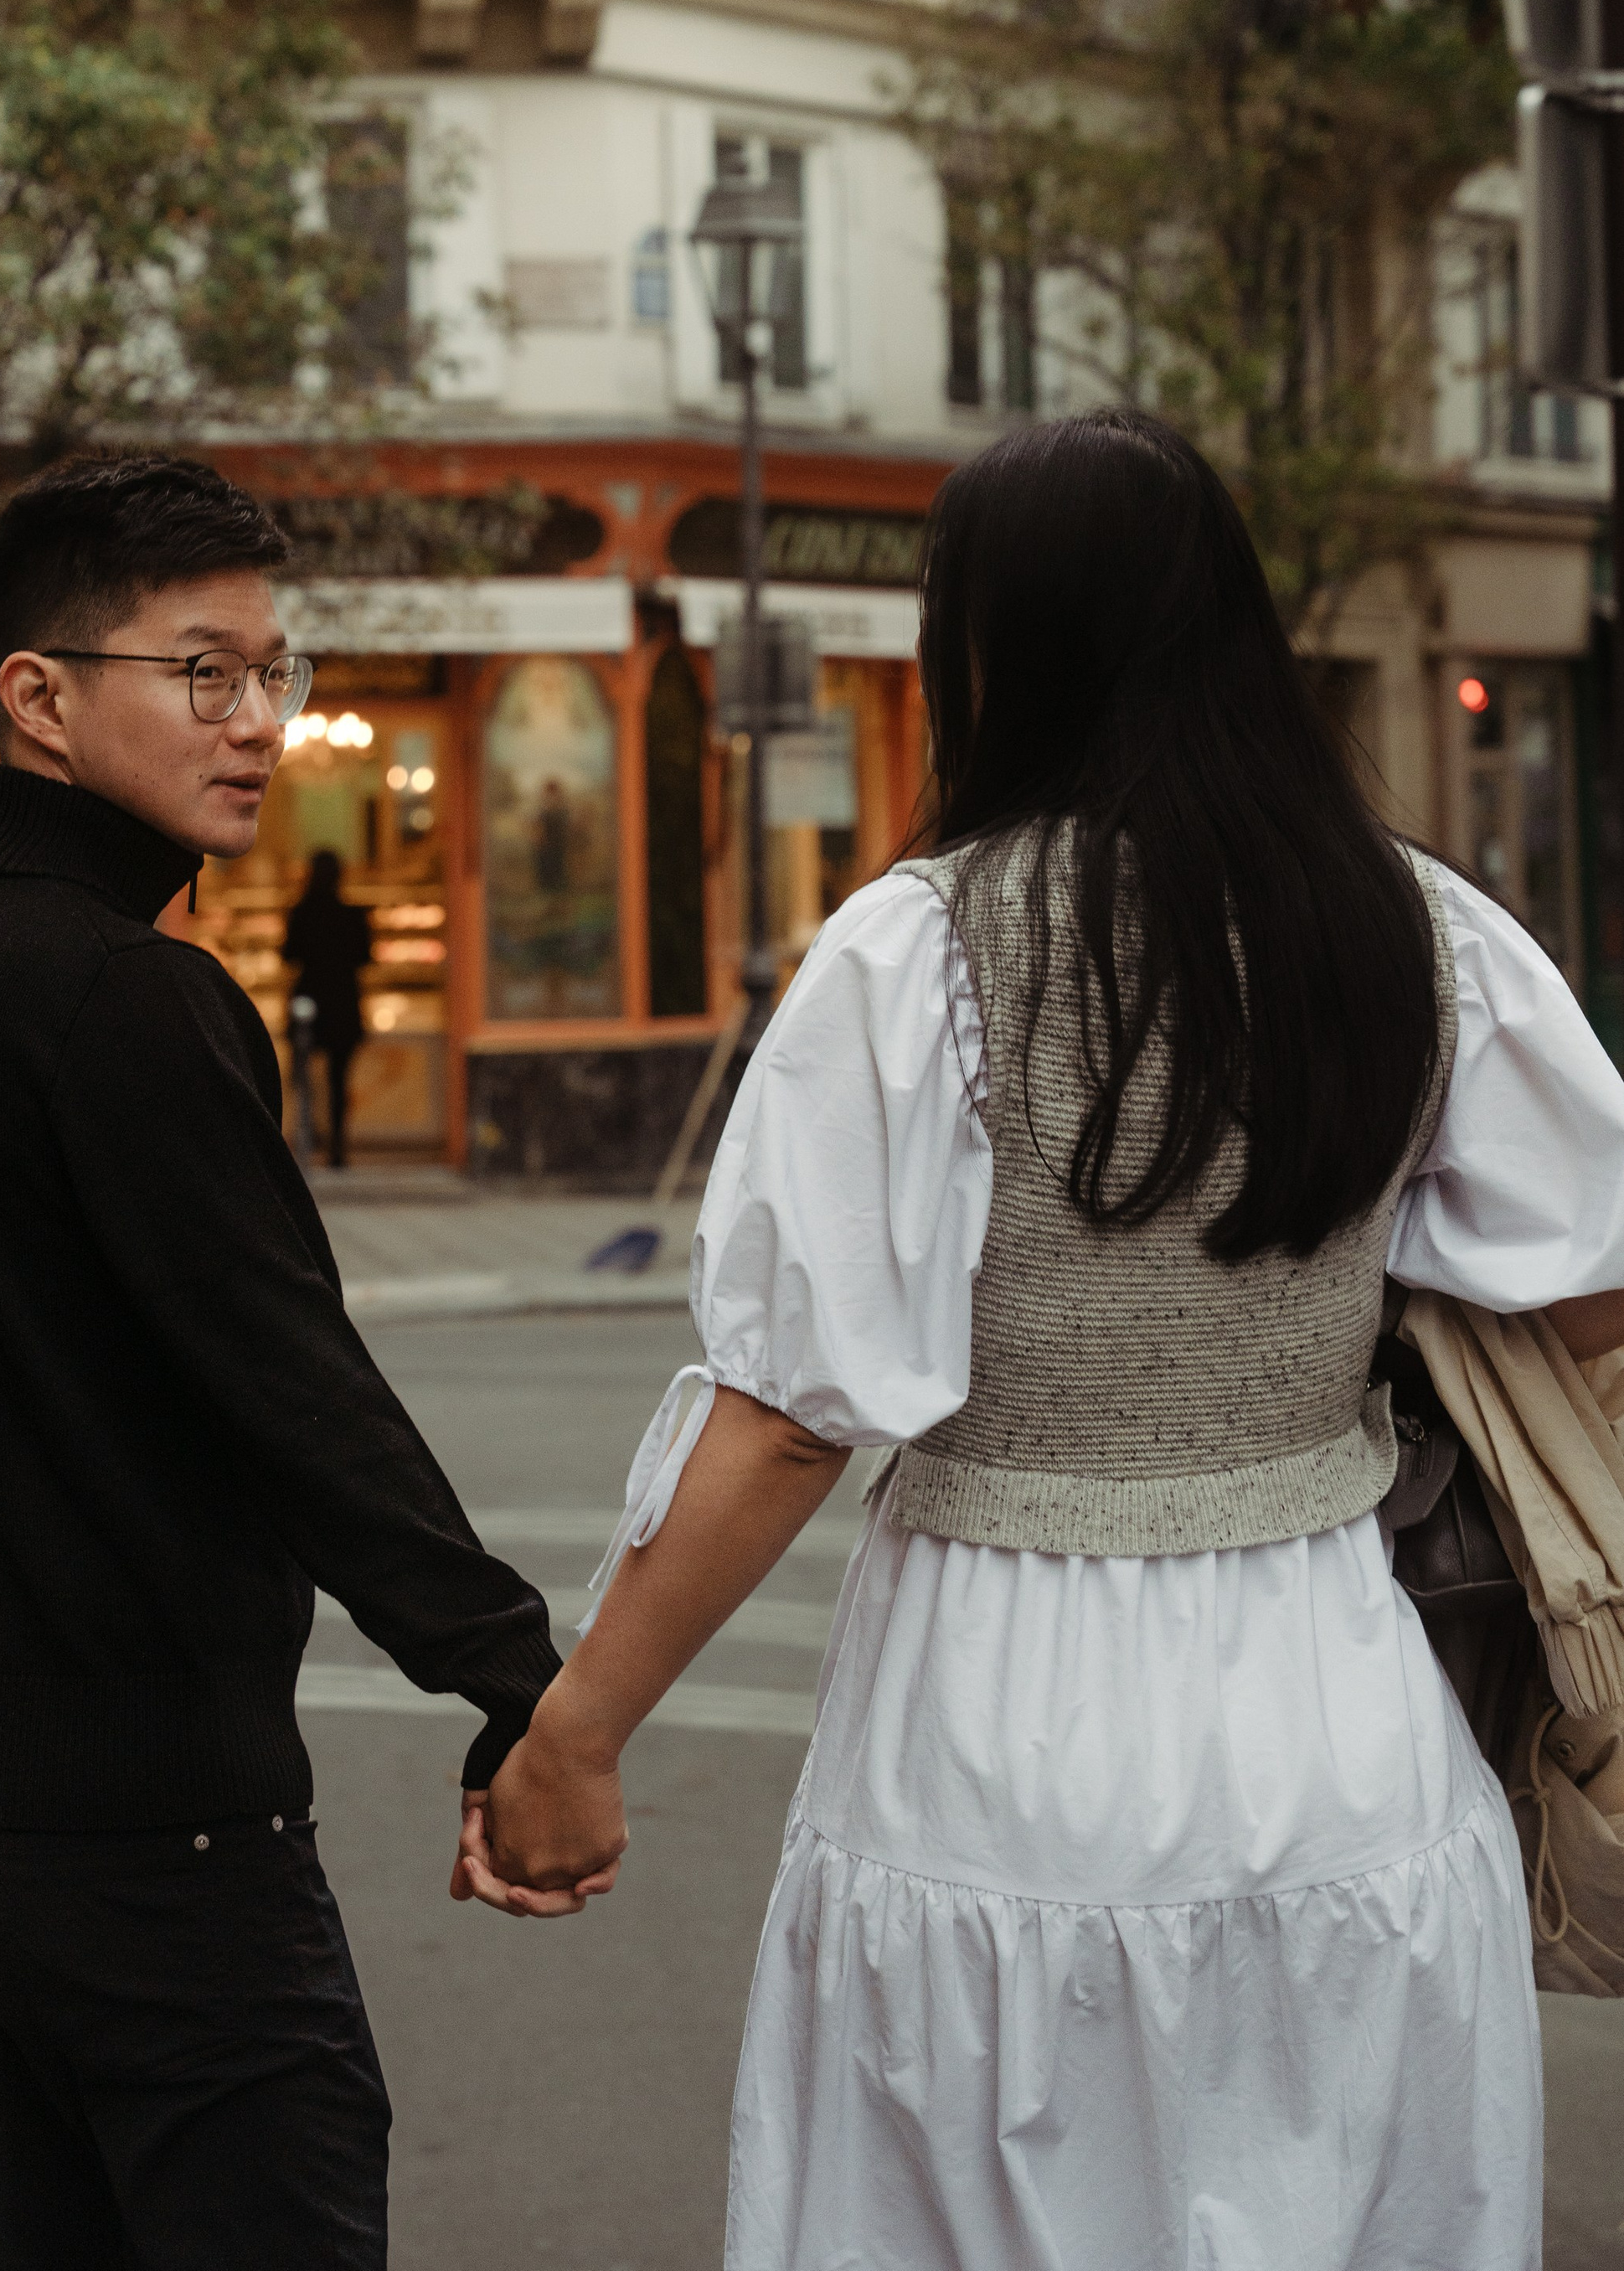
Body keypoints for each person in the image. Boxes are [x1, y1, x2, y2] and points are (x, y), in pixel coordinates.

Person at [456, 408, 1624, 2271]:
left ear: (980, 649)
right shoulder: (1418, 932)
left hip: (997, 1727)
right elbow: (1584, 1286)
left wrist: (569, 1736)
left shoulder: (914, 956)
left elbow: (782, 1422)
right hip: (1338, 1706)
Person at [0, 453, 593, 2271]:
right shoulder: (128, 995)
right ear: (38, 697)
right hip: (160, 1854)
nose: (257, 725)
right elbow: (288, 1392)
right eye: (202, 673)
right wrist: (519, 1690)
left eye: (274, 675)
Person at [283, 848, 374, 1169]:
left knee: (304, 1080)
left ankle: (306, 1146)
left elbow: (289, 955)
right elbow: (366, 957)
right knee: (338, 1081)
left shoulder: (300, 912)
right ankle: (338, 1151)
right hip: (344, 1005)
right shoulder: (354, 915)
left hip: (308, 1001)